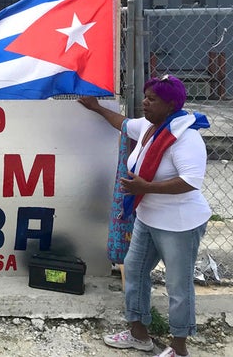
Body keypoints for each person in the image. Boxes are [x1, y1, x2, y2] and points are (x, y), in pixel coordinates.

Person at [78, 74, 210, 357]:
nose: (145, 104)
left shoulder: (185, 137)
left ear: (171, 104)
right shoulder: (150, 128)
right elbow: (123, 125)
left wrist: (146, 187)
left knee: (178, 284)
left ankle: (179, 347)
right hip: (148, 219)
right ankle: (139, 334)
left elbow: (190, 181)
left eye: (153, 100)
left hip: (179, 224)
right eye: (145, 97)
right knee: (135, 272)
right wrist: (96, 108)